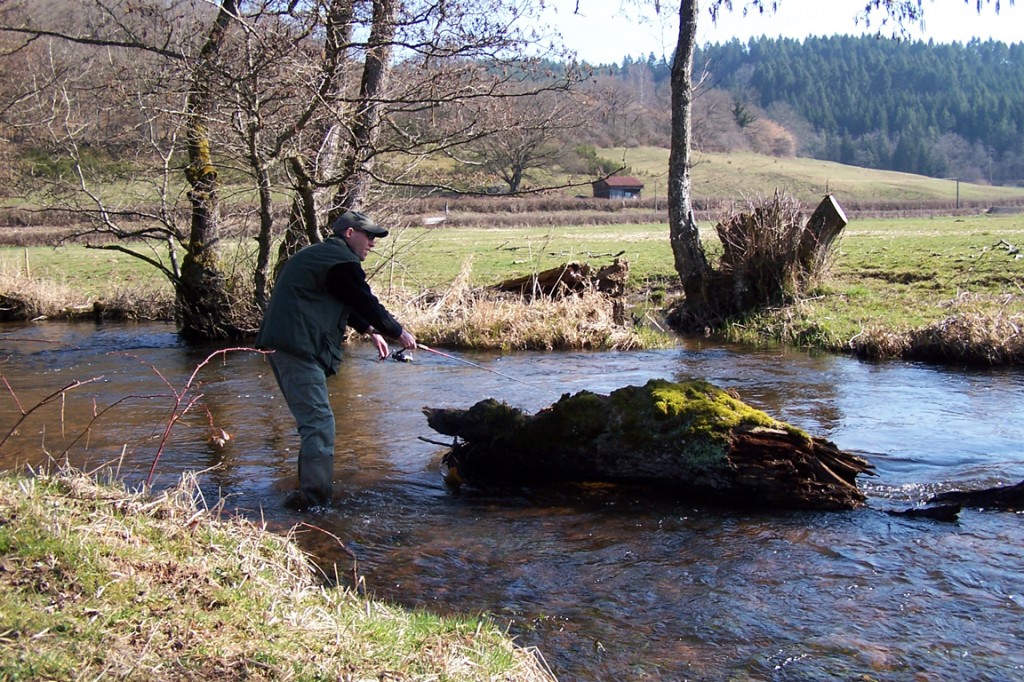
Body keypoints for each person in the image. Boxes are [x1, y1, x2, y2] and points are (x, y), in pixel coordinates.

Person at [256, 209, 417, 509]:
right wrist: (398, 332)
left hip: (290, 347)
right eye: (369, 236)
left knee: (315, 424)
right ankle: (316, 505)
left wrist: (371, 330)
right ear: (349, 234)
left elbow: (342, 298)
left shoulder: (325, 257)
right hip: (297, 349)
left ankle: (307, 497)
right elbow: (364, 300)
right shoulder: (341, 262)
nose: (373, 243)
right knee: (319, 424)